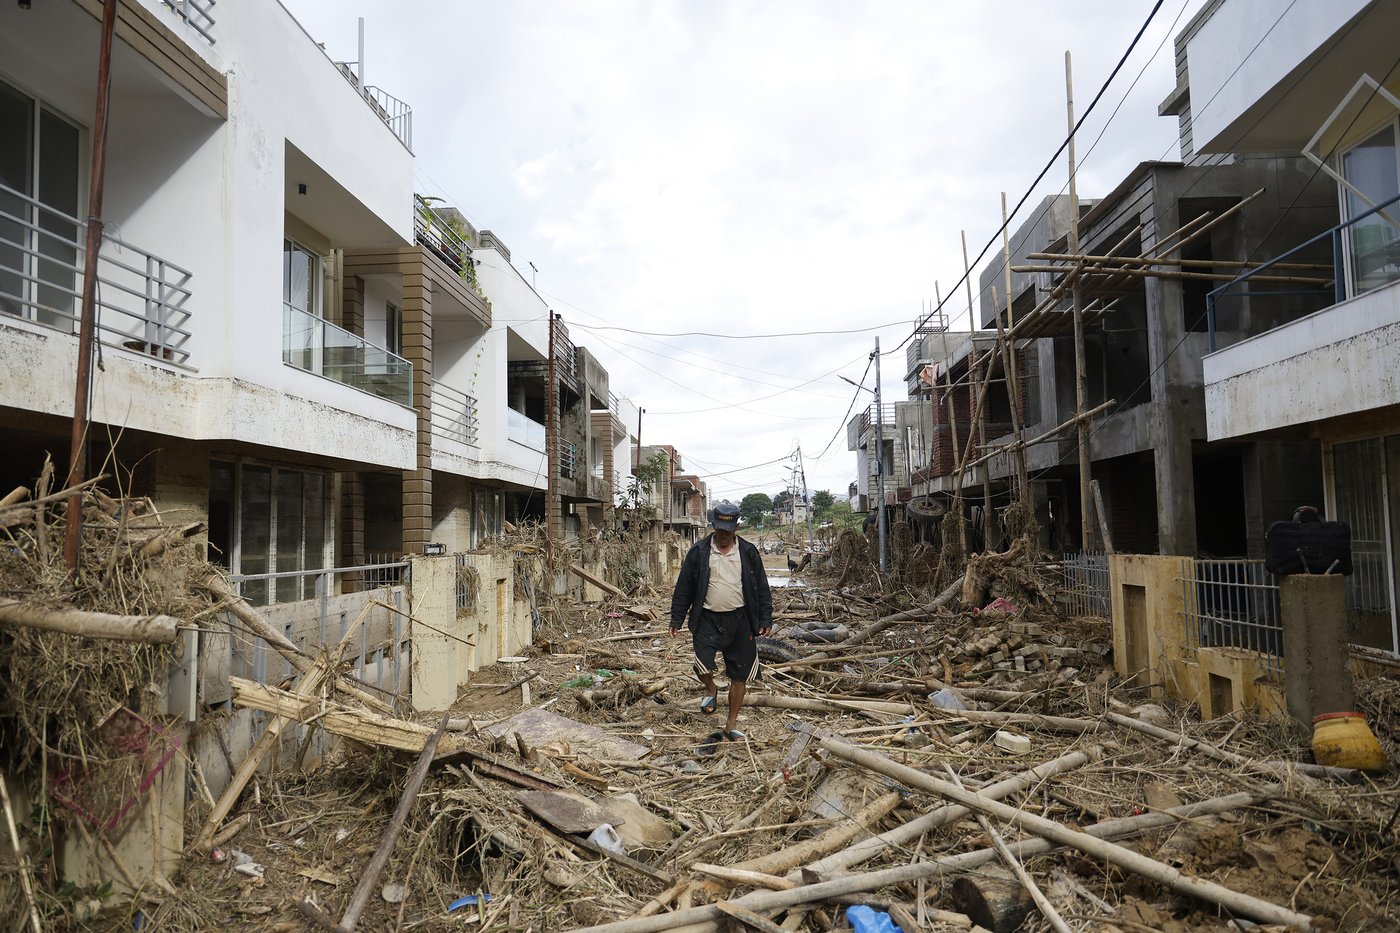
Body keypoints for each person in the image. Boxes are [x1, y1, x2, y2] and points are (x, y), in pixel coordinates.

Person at [669, 499, 773, 741]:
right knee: (702, 664)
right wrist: (676, 618)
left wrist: (765, 616)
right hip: (707, 618)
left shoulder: (747, 552)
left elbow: (761, 588)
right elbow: (684, 587)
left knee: (739, 676)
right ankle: (711, 688)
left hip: (741, 620)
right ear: (713, 527)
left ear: (735, 528)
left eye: (727, 531)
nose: (723, 535)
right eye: (719, 530)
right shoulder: (699, 551)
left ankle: (730, 725)